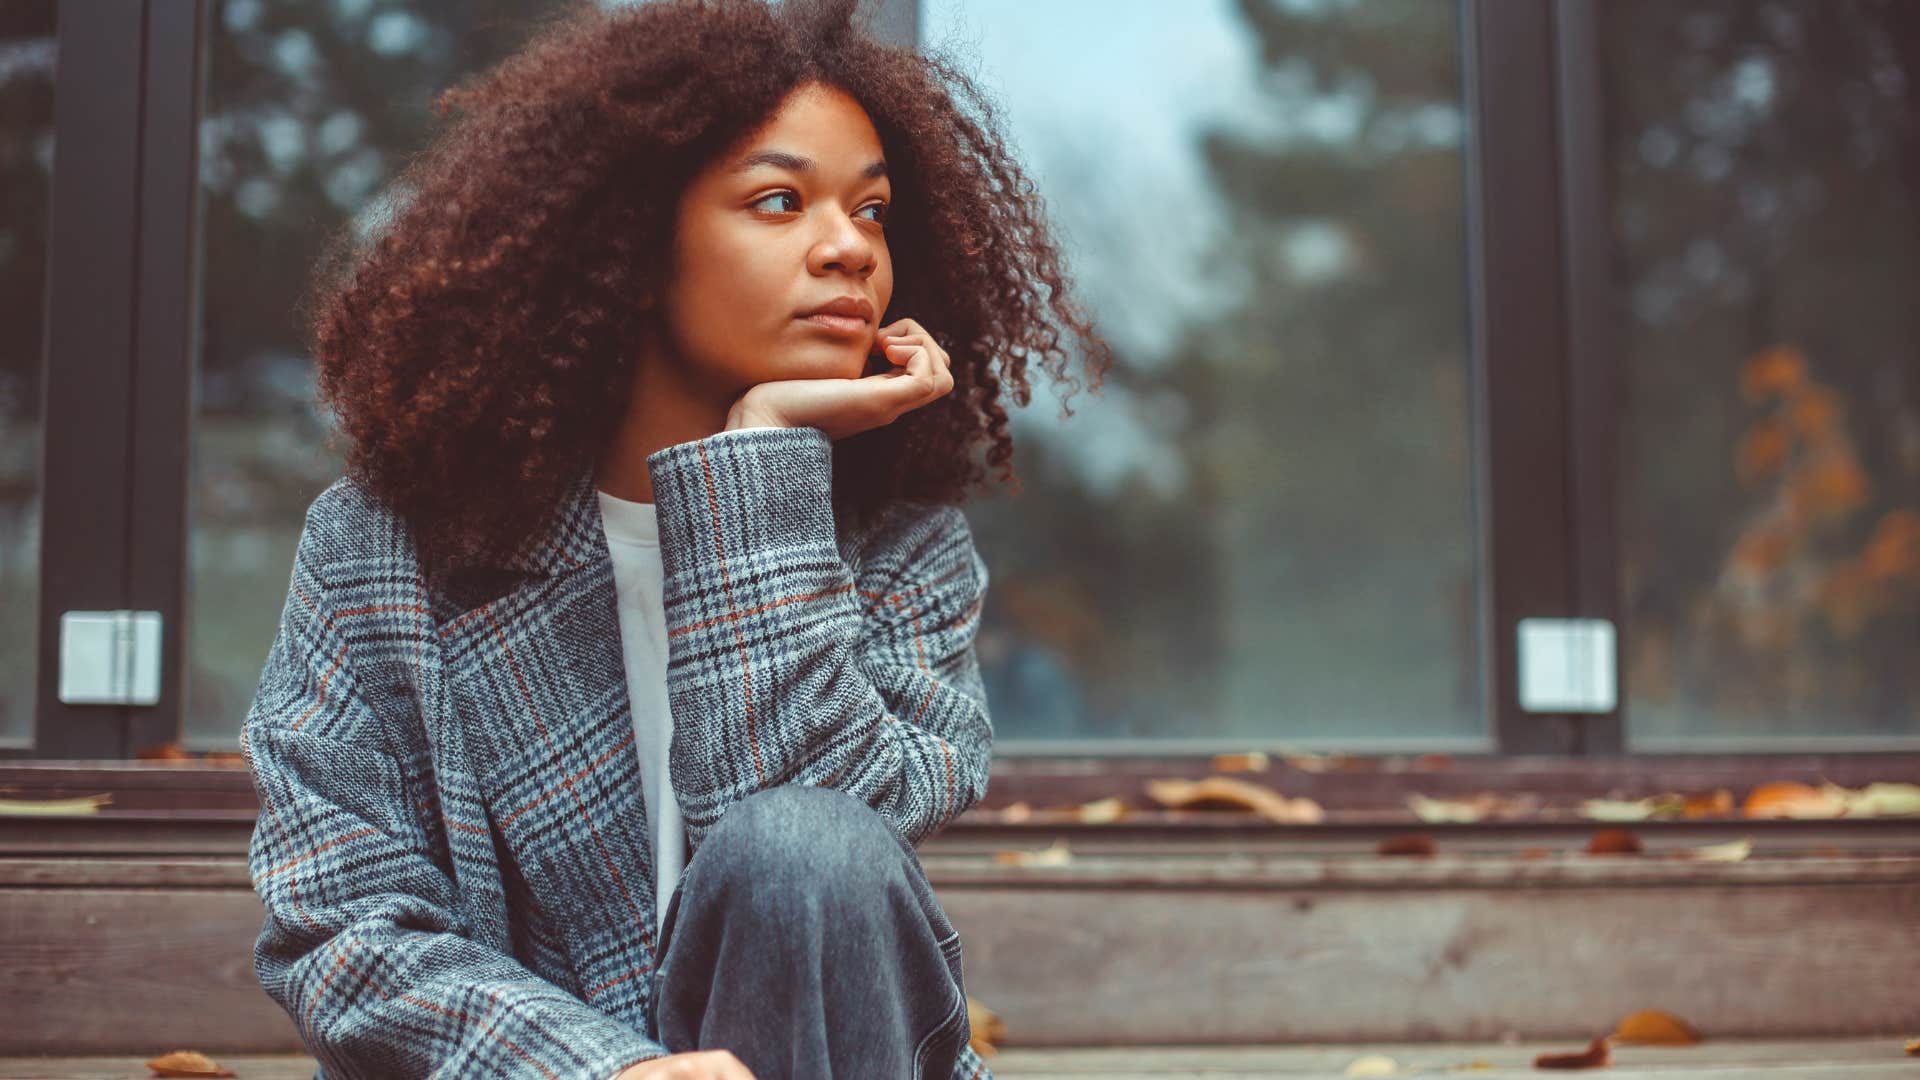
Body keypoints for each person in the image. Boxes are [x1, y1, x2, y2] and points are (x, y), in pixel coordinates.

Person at [239, 0, 1113, 1077]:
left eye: (875, 211)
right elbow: (342, 927)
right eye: (780, 200)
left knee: (803, 845)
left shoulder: (901, 551)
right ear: (635, 244)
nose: (848, 247)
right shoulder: (389, 551)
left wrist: (762, 458)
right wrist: (609, 1071)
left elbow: (826, 858)